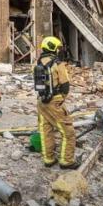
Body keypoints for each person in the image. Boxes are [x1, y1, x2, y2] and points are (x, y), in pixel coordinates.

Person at [34, 36, 80, 169]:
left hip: (41, 101)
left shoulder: (38, 63)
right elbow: (65, 85)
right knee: (68, 132)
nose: (59, 51)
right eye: (57, 48)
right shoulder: (58, 64)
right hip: (54, 101)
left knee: (46, 130)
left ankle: (48, 159)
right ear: (53, 48)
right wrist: (61, 99)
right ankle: (67, 161)